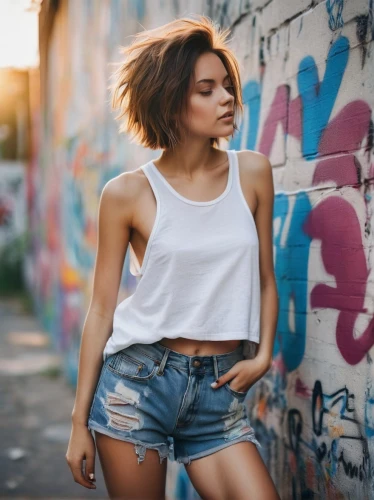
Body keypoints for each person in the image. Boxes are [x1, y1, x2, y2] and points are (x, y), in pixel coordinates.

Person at [66, 14, 280, 500]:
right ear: (170, 100)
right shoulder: (126, 194)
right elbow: (101, 310)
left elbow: (267, 278)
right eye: (206, 89)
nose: (226, 98)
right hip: (136, 386)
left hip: (219, 392)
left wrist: (264, 355)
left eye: (226, 86)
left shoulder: (252, 173)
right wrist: (79, 422)